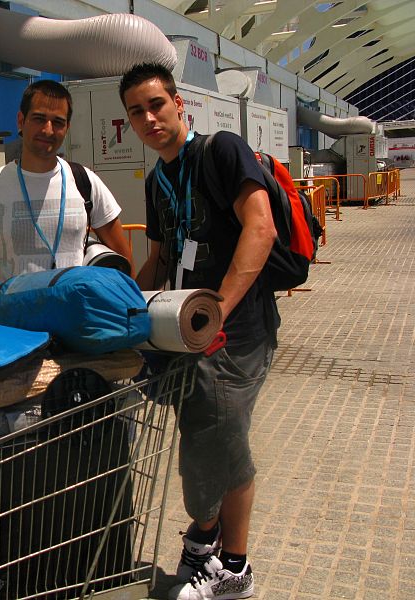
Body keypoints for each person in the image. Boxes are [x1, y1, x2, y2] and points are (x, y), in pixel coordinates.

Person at [119, 63, 278, 600]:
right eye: (136, 111)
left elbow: (260, 227)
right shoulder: (157, 180)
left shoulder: (222, 152)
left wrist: (219, 312)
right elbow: (161, 258)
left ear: (179, 103)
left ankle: (234, 567)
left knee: (224, 441)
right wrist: (125, 312)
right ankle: (204, 540)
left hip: (238, 335)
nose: (148, 118)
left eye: (156, 104)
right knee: (202, 435)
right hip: (186, 336)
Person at [0, 79, 132, 321]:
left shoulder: (85, 181)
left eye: (58, 122)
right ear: (21, 121)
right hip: (12, 326)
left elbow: (122, 258)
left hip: (74, 326)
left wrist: (123, 318)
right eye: (39, 119)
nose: (48, 130)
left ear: (67, 127)